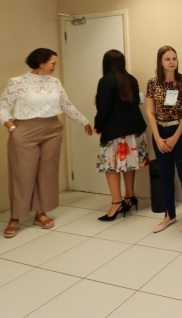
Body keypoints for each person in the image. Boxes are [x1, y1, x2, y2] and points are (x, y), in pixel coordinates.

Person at [0, 48, 92, 238]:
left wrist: (84, 120)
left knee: (47, 173)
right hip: (24, 131)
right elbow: (2, 107)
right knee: (23, 174)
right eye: (53, 63)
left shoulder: (55, 83)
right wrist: (12, 129)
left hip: (52, 130)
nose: (55, 66)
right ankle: (15, 217)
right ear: (41, 63)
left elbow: (66, 105)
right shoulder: (17, 82)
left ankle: (40, 212)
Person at [94, 50, 149, 221]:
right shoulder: (131, 79)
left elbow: (103, 109)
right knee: (128, 164)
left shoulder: (105, 81)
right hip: (134, 131)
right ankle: (129, 197)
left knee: (110, 167)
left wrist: (97, 124)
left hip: (115, 131)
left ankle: (116, 203)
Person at [146, 46, 182, 234]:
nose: (172, 62)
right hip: (160, 133)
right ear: (161, 62)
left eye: (174, 58)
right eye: (167, 59)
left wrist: (175, 137)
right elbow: (150, 112)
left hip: (181, 133)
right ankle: (169, 215)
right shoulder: (152, 83)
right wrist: (158, 138)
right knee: (165, 176)